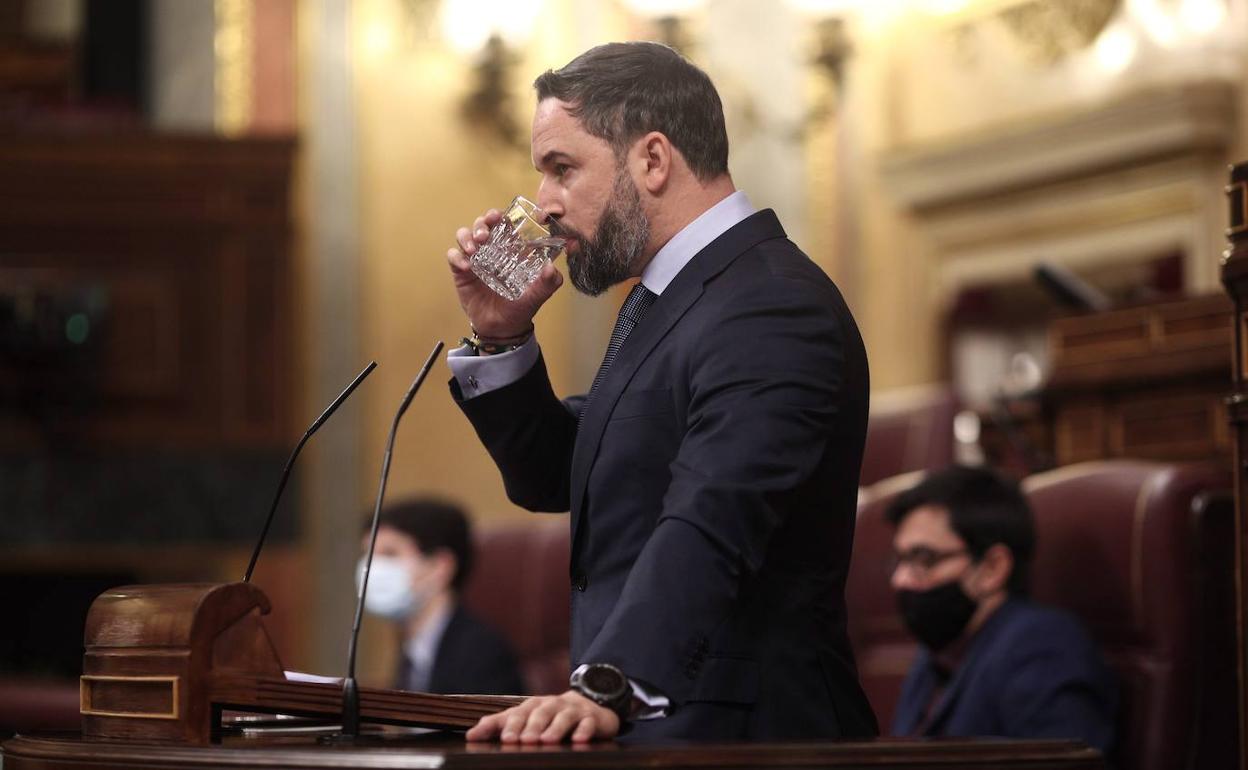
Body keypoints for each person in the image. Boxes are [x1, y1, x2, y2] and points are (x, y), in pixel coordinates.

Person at [444, 41, 876, 744]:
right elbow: (563, 473)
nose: (544, 206)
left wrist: (608, 681)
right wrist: (500, 337)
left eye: (562, 169)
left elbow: (714, 516)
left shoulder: (769, 304)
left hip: (753, 742)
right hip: (662, 732)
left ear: (652, 159)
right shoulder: (667, 302)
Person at [886, 465, 1117, 753]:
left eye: (924, 559)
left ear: (993, 568)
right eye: (901, 560)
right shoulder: (938, 652)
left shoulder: (1042, 648)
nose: (900, 580)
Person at [359, 498, 525, 696]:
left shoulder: (481, 653)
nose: (372, 568)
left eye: (390, 553)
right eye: (369, 555)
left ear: (440, 567)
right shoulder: (411, 647)